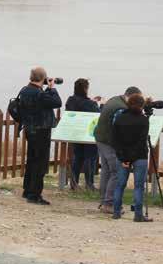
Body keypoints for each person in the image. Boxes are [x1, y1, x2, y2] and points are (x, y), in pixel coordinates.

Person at [94, 86, 142, 214]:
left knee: (106, 171)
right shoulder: (121, 108)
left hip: (100, 138)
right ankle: (108, 203)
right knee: (116, 171)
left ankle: (103, 200)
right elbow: (120, 129)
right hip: (109, 142)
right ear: (132, 97)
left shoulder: (114, 99)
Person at [18, 66, 62, 205]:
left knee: (32, 160)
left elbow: (43, 102)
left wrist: (47, 89)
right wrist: (52, 88)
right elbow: (57, 102)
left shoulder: (25, 90)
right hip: (41, 130)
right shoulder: (39, 93)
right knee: (40, 163)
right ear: (43, 78)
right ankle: (34, 194)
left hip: (29, 129)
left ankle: (27, 189)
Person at [111, 93, 152, 222]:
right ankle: (138, 214)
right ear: (141, 106)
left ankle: (116, 212)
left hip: (122, 156)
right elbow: (141, 141)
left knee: (120, 185)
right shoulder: (143, 120)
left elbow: (115, 140)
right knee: (139, 186)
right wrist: (131, 157)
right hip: (140, 156)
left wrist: (124, 158)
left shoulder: (119, 118)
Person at [65, 78, 101, 190]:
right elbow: (97, 114)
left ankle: (74, 182)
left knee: (78, 157)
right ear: (86, 88)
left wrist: (92, 101)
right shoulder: (90, 104)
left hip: (76, 133)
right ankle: (89, 183)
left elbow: (79, 105)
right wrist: (100, 104)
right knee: (90, 158)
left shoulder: (70, 101)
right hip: (88, 134)